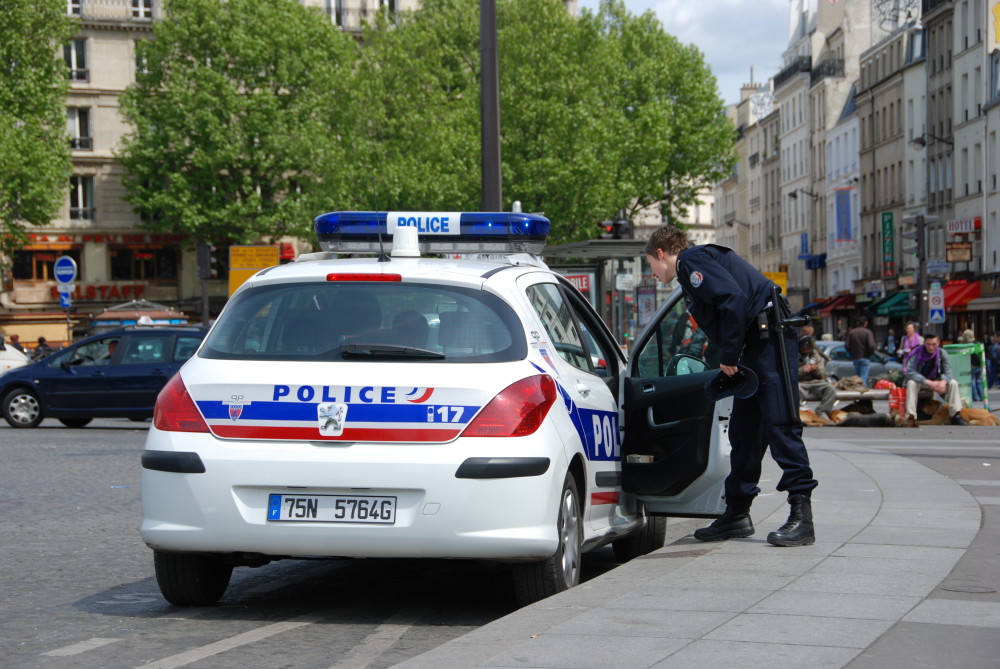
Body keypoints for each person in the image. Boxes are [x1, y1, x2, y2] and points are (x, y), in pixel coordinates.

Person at [645, 225, 817, 547]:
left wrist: (730, 355)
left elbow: (732, 299)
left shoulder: (691, 262)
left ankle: (802, 515)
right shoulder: (692, 268)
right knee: (745, 432)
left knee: (780, 425)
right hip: (757, 345)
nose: (652, 274)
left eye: (651, 266)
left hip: (768, 342)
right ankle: (737, 512)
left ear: (660, 253)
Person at [903, 333, 967, 426]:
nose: (931, 347)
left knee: (953, 383)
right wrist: (928, 382)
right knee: (911, 383)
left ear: (938, 343)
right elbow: (910, 371)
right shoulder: (917, 353)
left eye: (933, 344)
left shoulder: (942, 353)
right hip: (922, 381)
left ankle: (955, 414)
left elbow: (948, 370)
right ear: (924, 343)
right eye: (928, 344)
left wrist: (943, 382)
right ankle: (911, 416)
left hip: (937, 380)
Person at [798, 336, 838, 420]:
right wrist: (803, 370)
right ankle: (801, 411)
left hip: (816, 383)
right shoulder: (793, 356)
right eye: (804, 348)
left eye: (808, 348)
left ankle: (821, 411)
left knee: (830, 388)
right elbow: (790, 374)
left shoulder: (815, 355)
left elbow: (822, 374)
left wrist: (814, 369)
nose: (806, 350)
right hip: (801, 383)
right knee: (793, 389)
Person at [845, 316, 876, 386]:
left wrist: (852, 352)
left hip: (856, 357)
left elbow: (847, 346)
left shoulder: (852, 332)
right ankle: (862, 395)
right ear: (865, 323)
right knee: (863, 378)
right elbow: (871, 345)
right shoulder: (868, 332)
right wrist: (871, 353)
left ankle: (858, 393)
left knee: (857, 378)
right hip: (865, 357)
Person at [958, 329, 983, 402]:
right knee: (979, 381)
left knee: (973, 382)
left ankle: (975, 397)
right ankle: (981, 396)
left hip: (972, 366)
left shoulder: (967, 345)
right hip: (979, 365)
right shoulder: (977, 343)